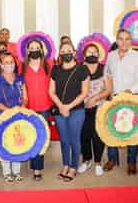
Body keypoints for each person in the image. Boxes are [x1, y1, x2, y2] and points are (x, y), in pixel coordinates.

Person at [103, 29, 138, 175]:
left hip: (131, 98)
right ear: (116, 40)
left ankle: (131, 162)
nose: (124, 42)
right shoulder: (111, 56)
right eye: (121, 39)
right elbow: (107, 74)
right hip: (114, 99)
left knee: (132, 130)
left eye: (127, 39)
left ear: (131, 41)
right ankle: (112, 159)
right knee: (111, 127)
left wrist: (130, 91)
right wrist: (108, 92)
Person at [49, 41, 89, 182]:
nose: (66, 53)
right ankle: (65, 165)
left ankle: (73, 167)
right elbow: (51, 91)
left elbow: (84, 93)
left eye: (69, 50)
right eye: (63, 50)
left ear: (74, 52)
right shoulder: (55, 69)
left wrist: (68, 107)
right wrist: (61, 106)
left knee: (74, 140)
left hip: (76, 110)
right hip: (59, 109)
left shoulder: (82, 70)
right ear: (60, 54)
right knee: (64, 140)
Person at [0, 52, 28, 183]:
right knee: (5, 143)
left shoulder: (20, 79)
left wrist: (21, 108)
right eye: (6, 62)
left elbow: (25, 98)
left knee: (17, 142)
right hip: (2, 116)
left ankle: (16, 171)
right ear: (1, 64)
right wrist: (9, 112)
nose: (9, 65)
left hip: (18, 115)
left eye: (11, 62)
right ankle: (7, 172)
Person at [77, 44, 112, 176]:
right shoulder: (79, 69)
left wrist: (94, 98)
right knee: (84, 135)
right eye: (89, 52)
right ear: (84, 55)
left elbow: (108, 89)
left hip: (99, 107)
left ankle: (98, 162)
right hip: (82, 107)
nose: (92, 54)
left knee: (98, 135)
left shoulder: (105, 69)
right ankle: (86, 160)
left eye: (95, 52)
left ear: (99, 54)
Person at [21, 39, 53, 181]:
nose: (34, 50)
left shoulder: (49, 65)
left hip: (45, 107)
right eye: (31, 48)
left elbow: (54, 85)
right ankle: (33, 161)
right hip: (29, 108)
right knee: (31, 136)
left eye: (37, 47)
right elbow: (21, 87)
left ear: (41, 49)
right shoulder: (22, 66)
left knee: (41, 137)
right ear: (27, 51)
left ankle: (37, 168)